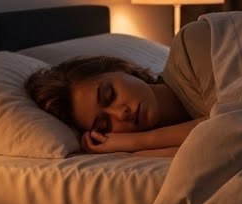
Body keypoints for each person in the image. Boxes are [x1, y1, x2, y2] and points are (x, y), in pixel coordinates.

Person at [26, 55, 202, 156]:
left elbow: (226, 124)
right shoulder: (148, 152)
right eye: (104, 124)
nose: (121, 114)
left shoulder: (191, 55)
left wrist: (137, 141)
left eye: (110, 95)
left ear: (121, 68)